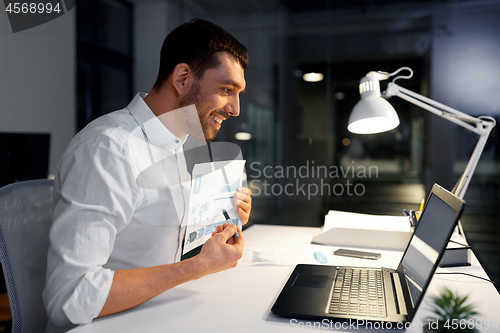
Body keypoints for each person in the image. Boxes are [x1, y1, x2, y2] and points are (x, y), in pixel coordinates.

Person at [43, 19, 252, 332]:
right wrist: (197, 267)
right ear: (182, 78)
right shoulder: (108, 149)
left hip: (157, 313)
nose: (235, 109)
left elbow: (158, 242)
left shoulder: (177, 142)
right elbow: (69, 299)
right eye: (226, 90)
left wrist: (223, 221)